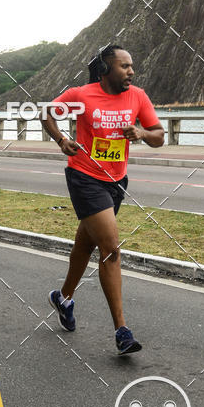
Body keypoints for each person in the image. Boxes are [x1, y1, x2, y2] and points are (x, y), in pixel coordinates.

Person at [41, 45, 164, 354]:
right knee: (110, 248)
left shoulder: (137, 96)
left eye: (132, 66)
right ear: (106, 70)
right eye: (124, 66)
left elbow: (159, 135)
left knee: (87, 243)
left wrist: (141, 133)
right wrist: (62, 140)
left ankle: (63, 298)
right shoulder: (81, 95)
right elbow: (46, 112)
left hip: (116, 181)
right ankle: (122, 331)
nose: (131, 71)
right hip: (84, 178)